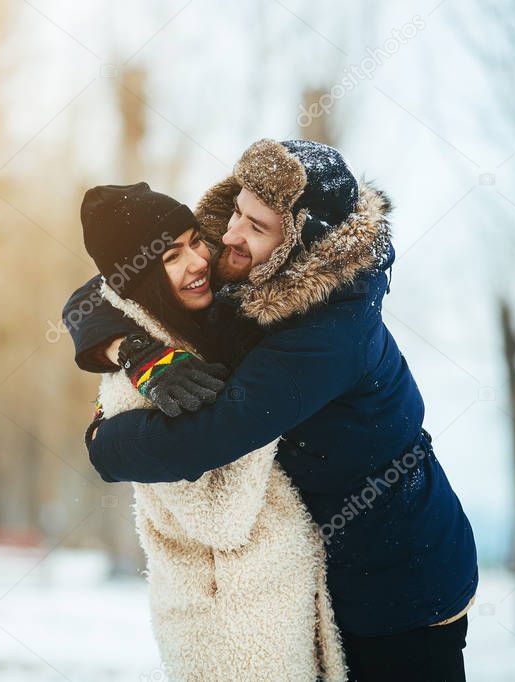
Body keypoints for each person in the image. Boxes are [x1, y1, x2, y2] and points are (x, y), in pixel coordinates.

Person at [64, 140, 478, 682]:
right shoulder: (243, 263)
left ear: (301, 245)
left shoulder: (327, 333)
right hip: (332, 572)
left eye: (257, 227)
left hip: (402, 581)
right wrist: (129, 351)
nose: (229, 235)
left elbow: (211, 436)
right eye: (236, 210)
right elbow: (106, 286)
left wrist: (105, 444)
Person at [79, 182, 345, 681]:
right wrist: (265, 408)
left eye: (195, 239)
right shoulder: (136, 388)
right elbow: (218, 516)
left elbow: (88, 300)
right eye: (171, 256)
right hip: (227, 627)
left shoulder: (197, 319)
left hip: (267, 603)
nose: (200, 260)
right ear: (137, 280)